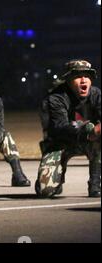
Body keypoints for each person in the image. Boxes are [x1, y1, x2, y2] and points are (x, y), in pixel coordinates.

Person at [36, 59, 100, 198]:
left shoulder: (97, 95)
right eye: (78, 76)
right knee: (46, 191)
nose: (84, 80)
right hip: (61, 143)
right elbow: (59, 127)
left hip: (90, 142)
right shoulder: (56, 97)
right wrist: (88, 132)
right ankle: (56, 179)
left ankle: (95, 184)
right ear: (68, 79)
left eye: (87, 76)